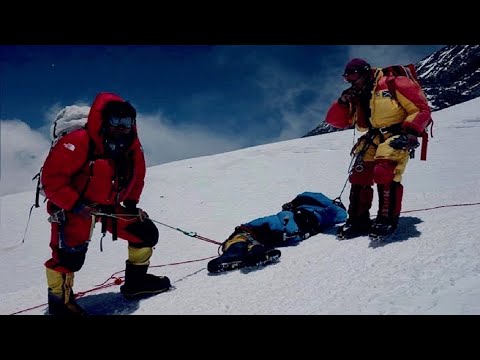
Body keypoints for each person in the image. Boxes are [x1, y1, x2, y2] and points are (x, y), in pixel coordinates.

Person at [41, 92, 171, 315]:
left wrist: (131, 204)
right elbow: (52, 181)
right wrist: (76, 205)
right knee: (68, 257)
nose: (122, 127)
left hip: (109, 207)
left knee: (144, 232)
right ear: (104, 120)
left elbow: (138, 175)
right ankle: (60, 305)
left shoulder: (131, 146)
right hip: (74, 208)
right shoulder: (78, 141)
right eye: (115, 121)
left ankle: (136, 284)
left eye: (127, 122)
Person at [325, 58, 431, 240]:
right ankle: (358, 220)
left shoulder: (393, 83)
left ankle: (386, 219)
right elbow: (337, 122)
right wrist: (343, 102)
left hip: (398, 133)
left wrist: (412, 132)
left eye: (353, 75)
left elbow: (421, 109)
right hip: (372, 137)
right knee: (359, 175)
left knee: (384, 171)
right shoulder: (357, 94)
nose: (351, 80)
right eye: (346, 77)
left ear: (366, 71)